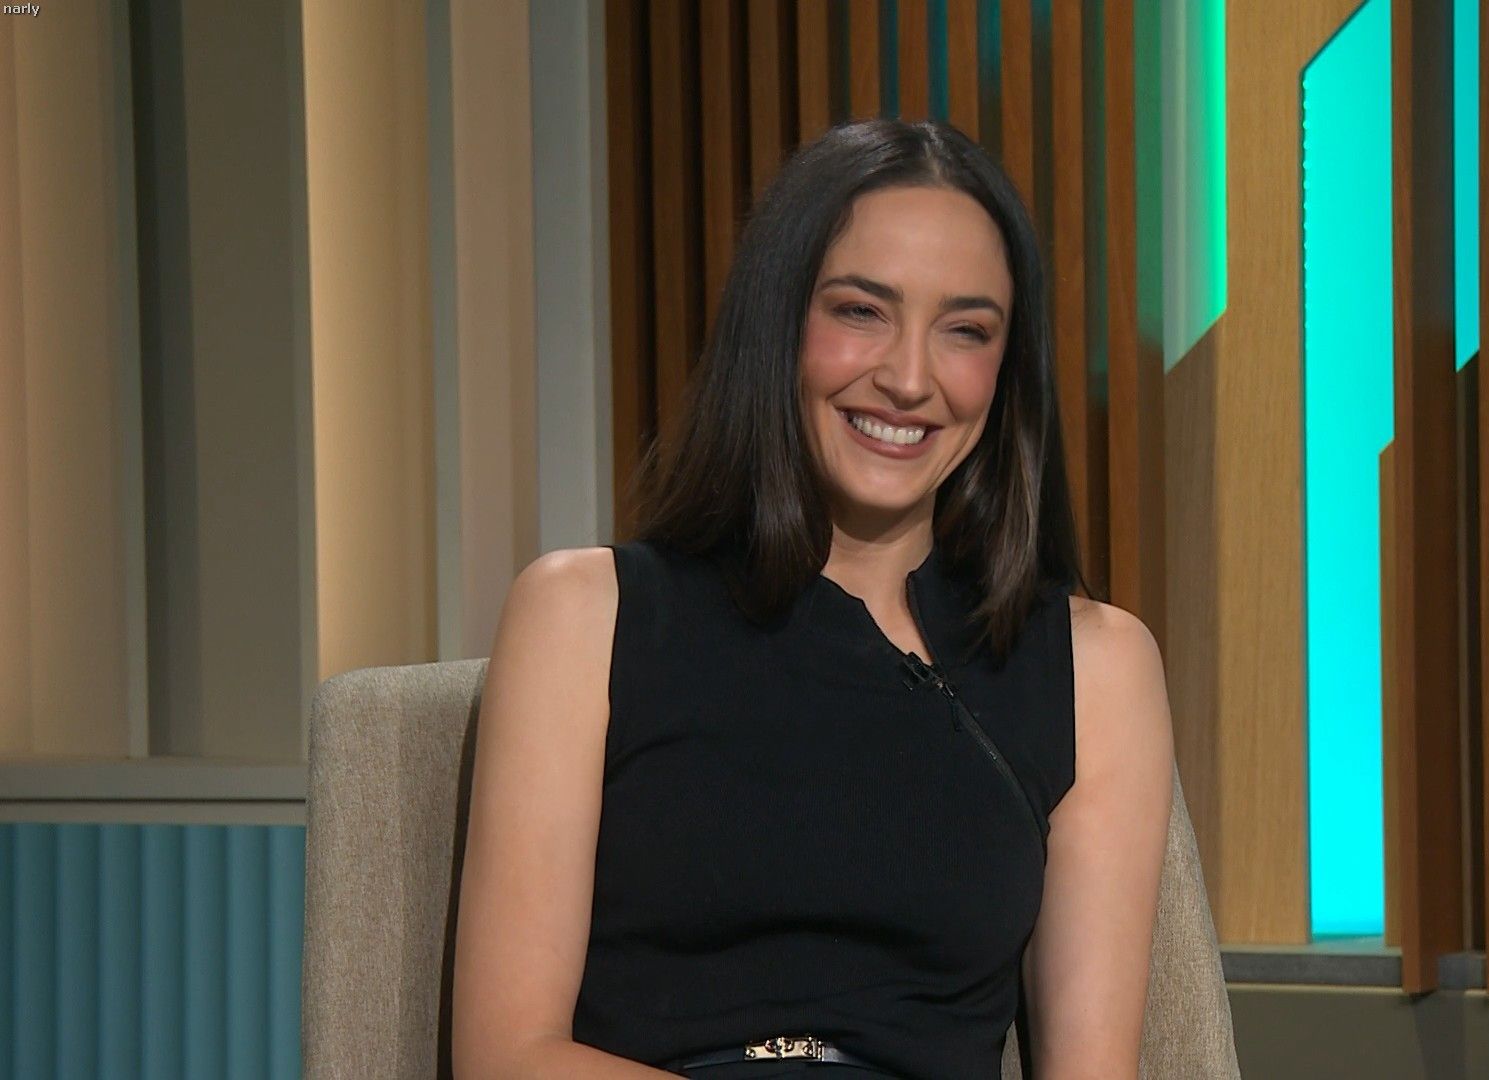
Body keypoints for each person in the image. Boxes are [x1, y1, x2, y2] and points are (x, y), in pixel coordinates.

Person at [449, 118, 1175, 1080]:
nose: (908, 379)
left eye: (965, 331)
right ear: (779, 323)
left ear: (1006, 373)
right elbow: (506, 1056)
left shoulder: (1094, 667)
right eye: (861, 312)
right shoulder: (584, 615)